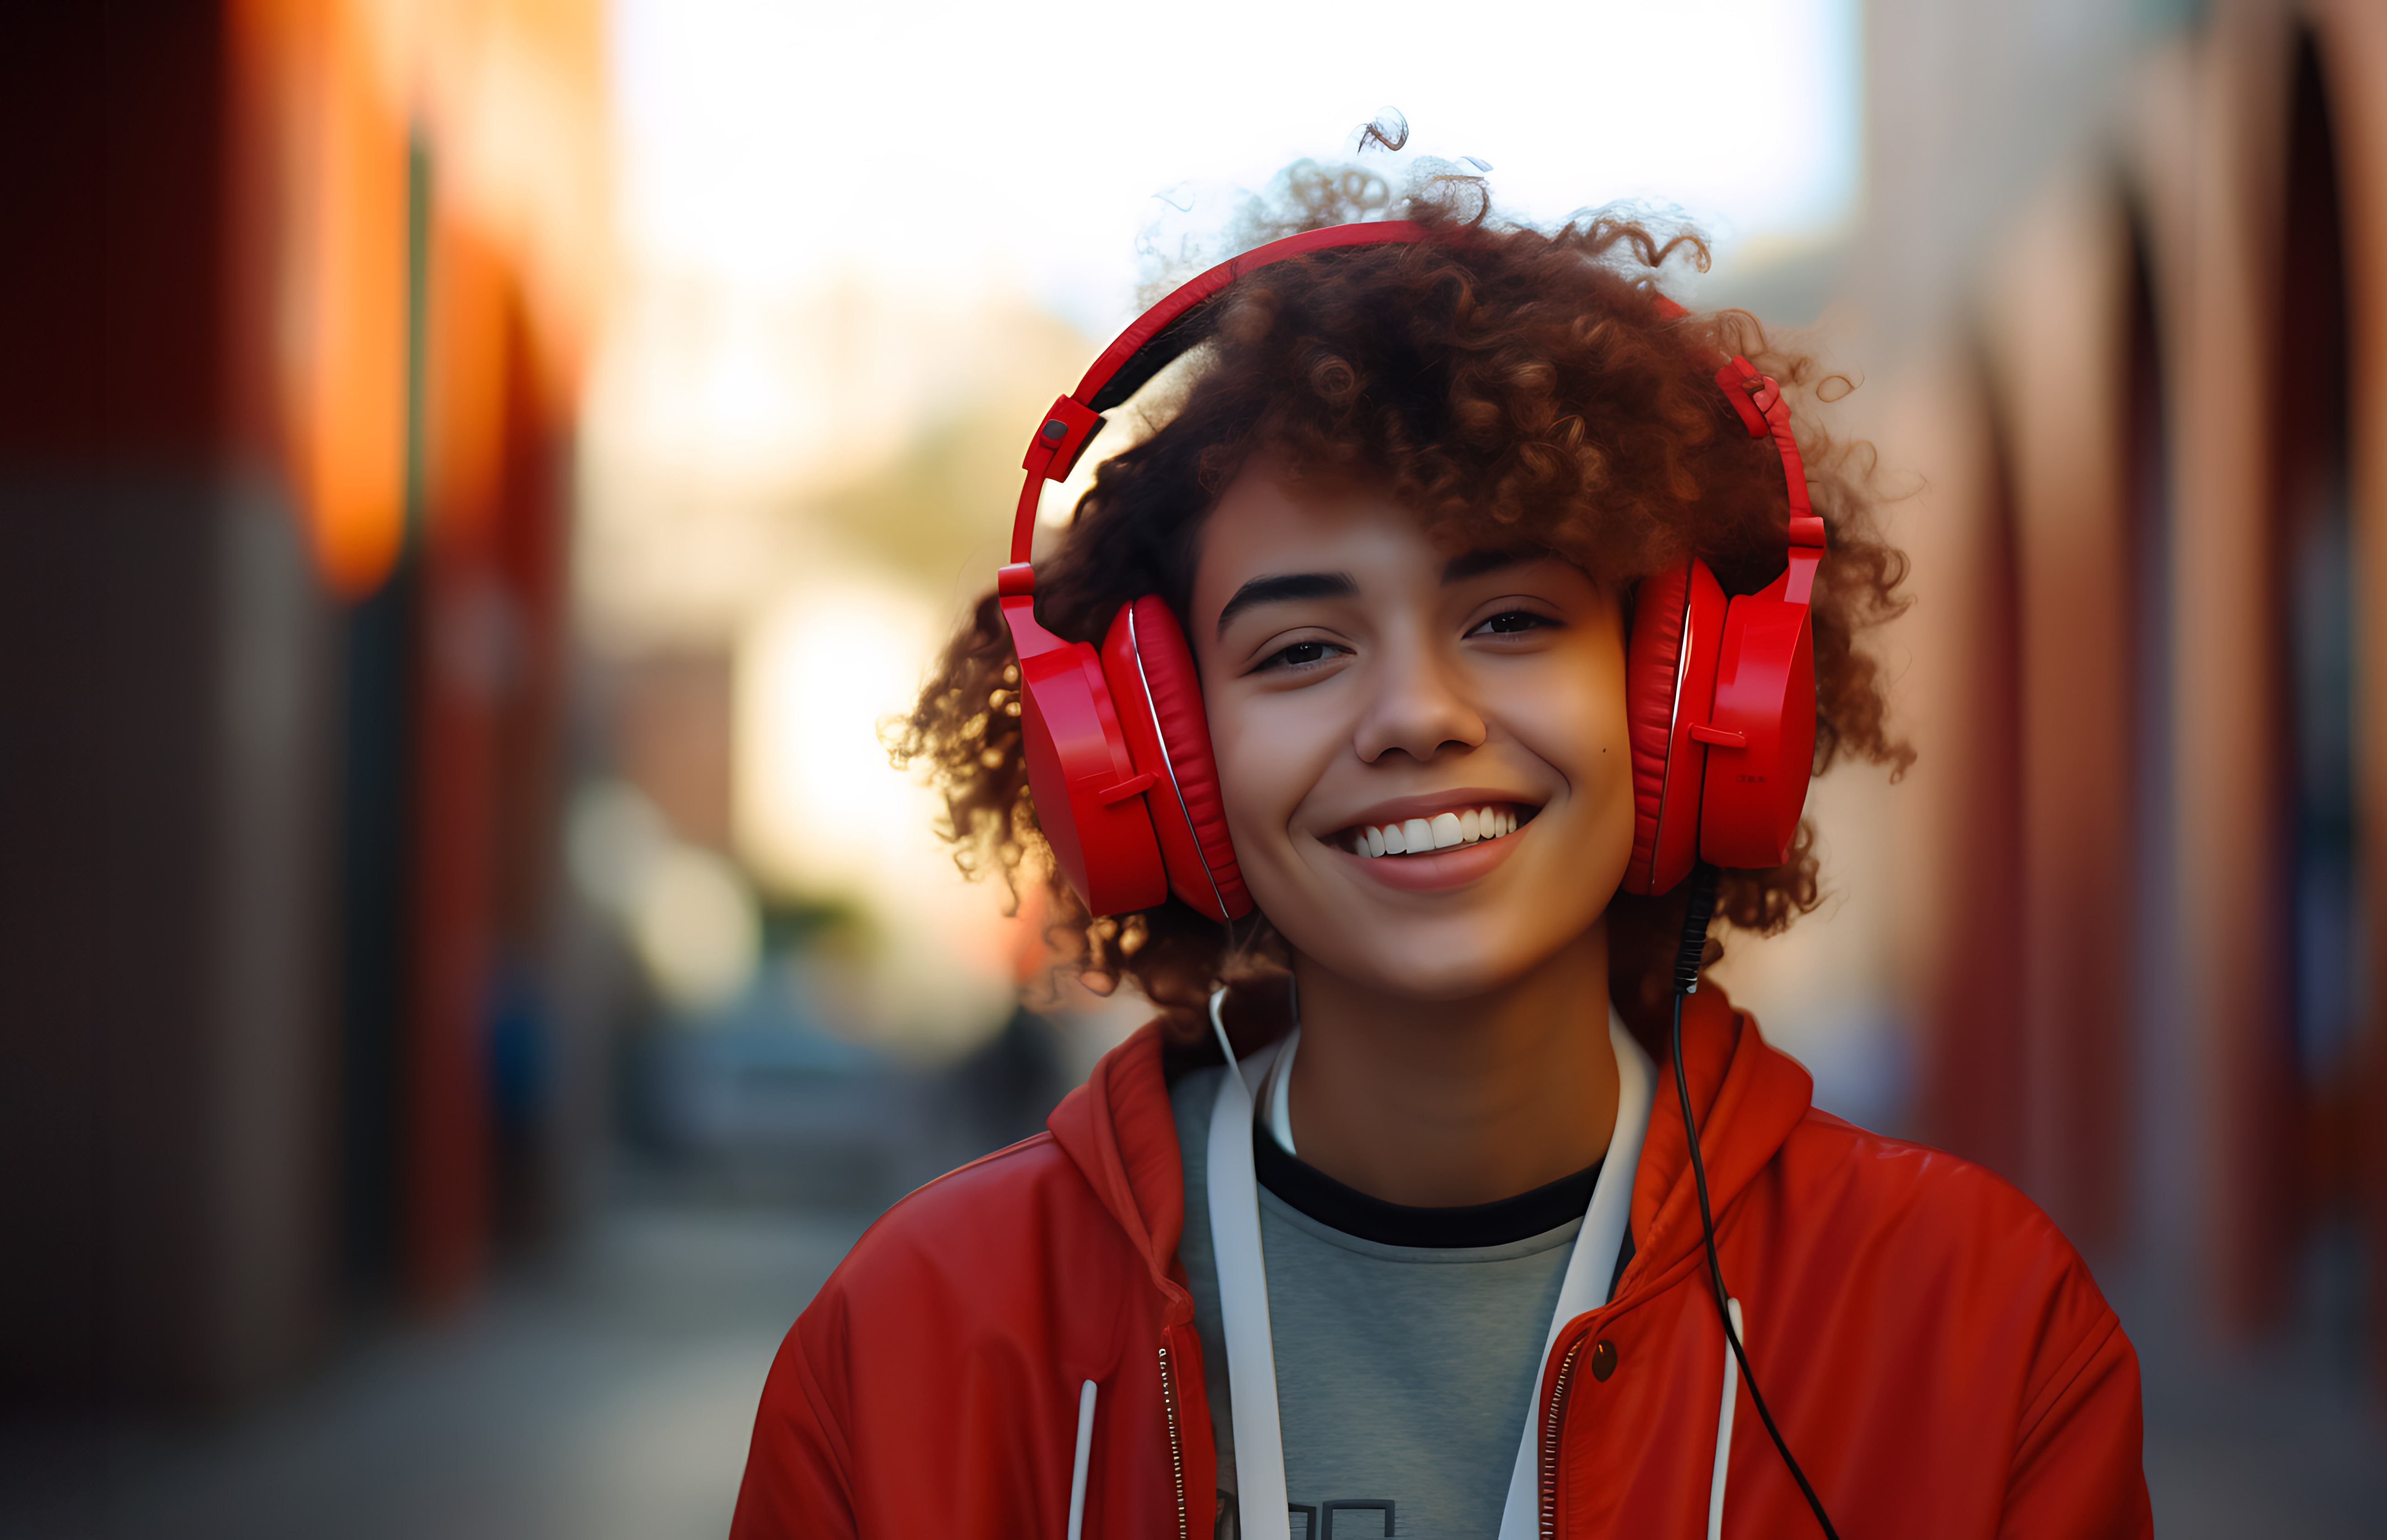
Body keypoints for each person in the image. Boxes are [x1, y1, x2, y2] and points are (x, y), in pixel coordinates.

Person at [728, 166, 2149, 1540]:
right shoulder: (917, 1335)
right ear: (1155, 764)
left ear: (1695, 696)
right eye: (1299, 650)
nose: (1417, 714)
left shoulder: (1982, 1328)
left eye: (1513, 620)